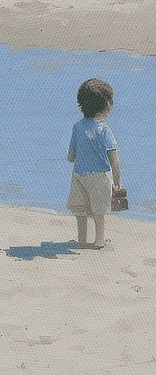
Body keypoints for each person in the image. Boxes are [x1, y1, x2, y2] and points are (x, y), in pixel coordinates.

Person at [67, 78, 121, 249]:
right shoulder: (104, 130)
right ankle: (99, 240)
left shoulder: (77, 127)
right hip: (100, 176)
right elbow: (114, 161)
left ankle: (82, 239)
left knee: (80, 209)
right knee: (99, 211)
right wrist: (117, 183)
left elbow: (72, 154)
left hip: (79, 174)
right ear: (106, 106)